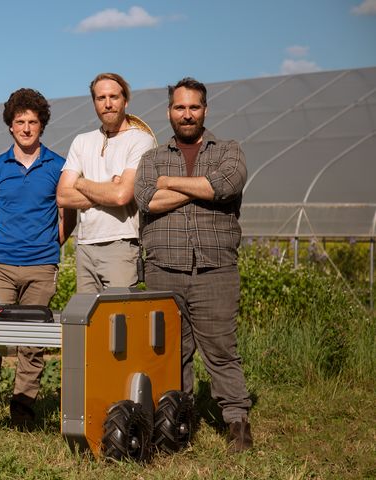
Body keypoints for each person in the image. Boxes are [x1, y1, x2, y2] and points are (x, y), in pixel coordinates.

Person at [134, 77, 253, 453]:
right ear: (169, 111)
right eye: (180, 107)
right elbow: (147, 200)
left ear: (205, 109)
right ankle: (176, 424)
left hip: (215, 268)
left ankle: (237, 423)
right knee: (171, 352)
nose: (187, 114)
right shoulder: (152, 158)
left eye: (194, 107)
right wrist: (198, 187)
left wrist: (173, 183)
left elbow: (226, 186)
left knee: (220, 350)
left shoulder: (228, 150)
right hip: (163, 269)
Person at [0, 88, 76, 428]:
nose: (26, 128)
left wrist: (49, 244)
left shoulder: (58, 166)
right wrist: (7, 246)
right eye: (19, 122)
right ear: (10, 126)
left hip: (42, 267)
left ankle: (23, 411)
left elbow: (67, 215)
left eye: (33, 122)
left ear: (42, 125)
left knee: (32, 343)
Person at [57, 73, 156, 293]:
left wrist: (80, 183)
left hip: (120, 244)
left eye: (114, 97)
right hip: (84, 246)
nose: (108, 104)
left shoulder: (141, 140)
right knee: (88, 321)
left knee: (119, 318)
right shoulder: (82, 141)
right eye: (101, 98)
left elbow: (121, 196)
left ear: (125, 101)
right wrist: (106, 188)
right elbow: (62, 195)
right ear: (94, 103)